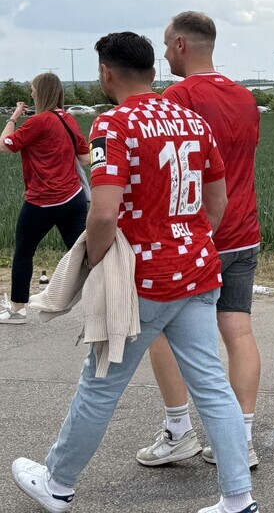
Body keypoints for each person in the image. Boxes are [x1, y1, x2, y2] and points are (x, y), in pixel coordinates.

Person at [10, 32, 258, 513]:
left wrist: (98, 261)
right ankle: (237, 497)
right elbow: (218, 201)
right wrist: (190, 240)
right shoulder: (192, 121)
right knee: (211, 383)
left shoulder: (113, 124)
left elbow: (104, 213)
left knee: (100, 382)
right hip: (197, 270)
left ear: (106, 73)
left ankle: (57, 483)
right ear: (152, 70)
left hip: (143, 278)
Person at [135, 12, 264, 470]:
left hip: (195, 236)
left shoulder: (178, 98)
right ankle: (240, 438)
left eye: (166, 44)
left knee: (163, 334)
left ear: (181, 45)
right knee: (239, 332)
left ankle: (178, 431)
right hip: (243, 232)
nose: (164, 53)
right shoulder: (245, 97)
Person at [0, 72, 89, 325]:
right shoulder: (68, 119)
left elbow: (5, 145)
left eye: (33, 89)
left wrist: (14, 117)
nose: (31, 93)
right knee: (86, 256)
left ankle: (17, 309)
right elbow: (84, 158)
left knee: (24, 252)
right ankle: (105, 304)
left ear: (40, 93)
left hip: (43, 200)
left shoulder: (37, 122)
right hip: (73, 198)